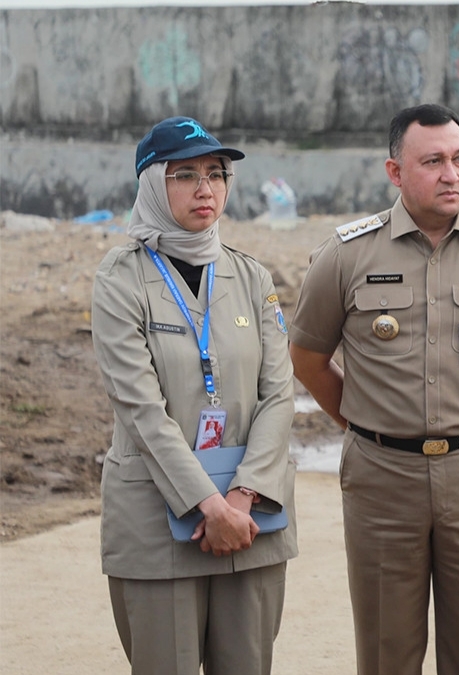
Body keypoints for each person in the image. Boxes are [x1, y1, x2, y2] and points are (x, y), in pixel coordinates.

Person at [288, 103, 459, 675]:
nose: (452, 174)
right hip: (383, 480)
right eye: (433, 162)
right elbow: (307, 358)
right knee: (386, 652)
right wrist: (361, 425)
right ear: (395, 172)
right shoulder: (346, 254)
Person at [91, 116, 298, 674]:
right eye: (185, 174)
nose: (205, 188)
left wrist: (241, 499)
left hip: (251, 518)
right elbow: (140, 410)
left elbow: (280, 396)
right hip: (159, 525)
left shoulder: (251, 277)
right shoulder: (119, 280)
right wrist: (209, 505)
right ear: (153, 185)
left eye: (216, 173)